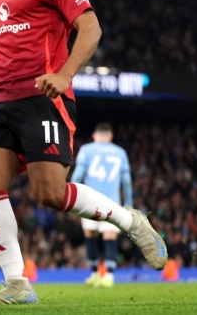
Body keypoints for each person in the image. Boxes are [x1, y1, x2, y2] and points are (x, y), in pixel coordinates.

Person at [0, 0, 167, 306]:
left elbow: (90, 28)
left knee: (49, 193)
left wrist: (64, 74)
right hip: (2, 99)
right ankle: (17, 285)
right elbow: (8, 45)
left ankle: (129, 220)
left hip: (43, 97)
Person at [71, 122, 133, 288]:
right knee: (110, 236)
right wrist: (128, 203)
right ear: (110, 136)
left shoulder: (86, 150)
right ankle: (109, 276)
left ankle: (94, 274)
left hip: (90, 201)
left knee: (90, 234)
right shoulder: (120, 152)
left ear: (94, 135)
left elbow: (78, 175)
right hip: (112, 202)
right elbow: (126, 180)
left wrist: (72, 198)